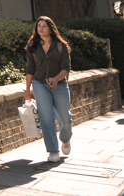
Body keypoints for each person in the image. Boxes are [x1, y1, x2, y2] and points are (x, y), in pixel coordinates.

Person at [24, 16, 73, 162]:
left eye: (44, 26)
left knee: (65, 118)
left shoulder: (61, 46)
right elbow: (30, 68)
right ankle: (53, 151)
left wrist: (56, 79)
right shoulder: (33, 46)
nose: (41, 28)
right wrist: (27, 89)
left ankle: (65, 138)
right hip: (40, 84)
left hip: (60, 85)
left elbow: (66, 68)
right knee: (46, 118)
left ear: (51, 29)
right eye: (39, 26)